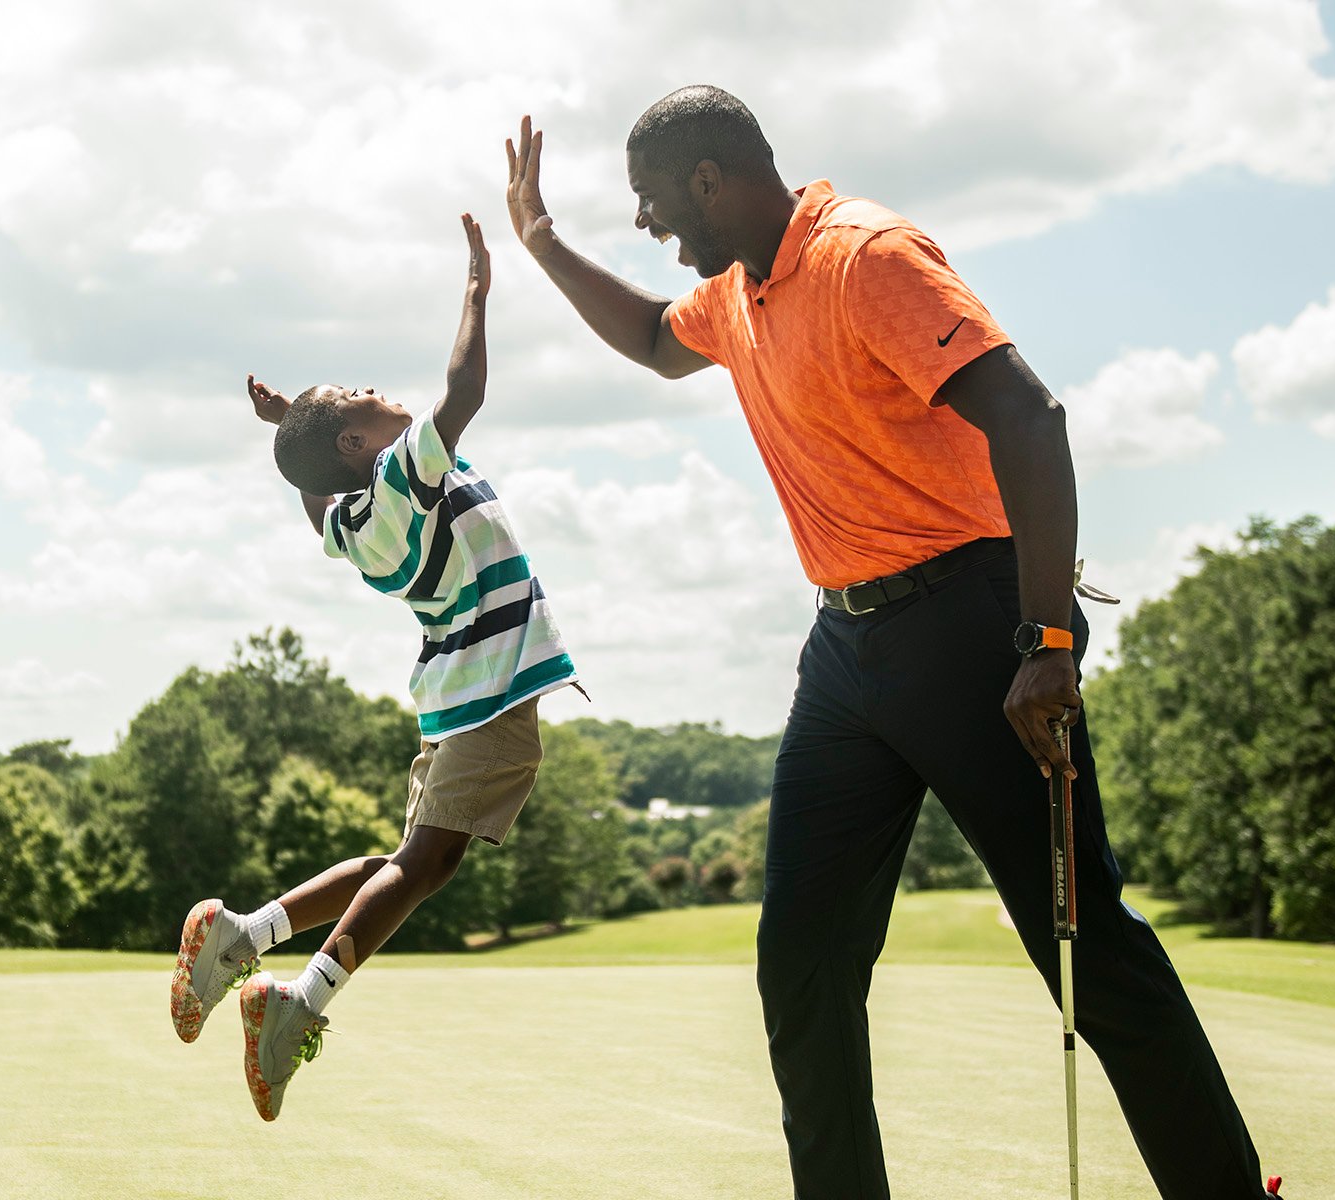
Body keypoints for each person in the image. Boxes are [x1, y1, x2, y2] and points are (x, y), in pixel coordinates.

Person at [504, 89, 1280, 1198]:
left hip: (974, 632)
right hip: (846, 653)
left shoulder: (865, 255)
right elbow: (646, 340)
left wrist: (1049, 638)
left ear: (710, 180)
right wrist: (543, 244)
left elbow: (1031, 418)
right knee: (803, 968)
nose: (646, 223)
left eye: (650, 200)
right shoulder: (738, 294)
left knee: (1085, 946)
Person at [168, 215, 579, 1122]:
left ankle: (249, 933)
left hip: (449, 695)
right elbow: (461, 389)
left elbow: (313, 493)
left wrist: (298, 429)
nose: (374, 392)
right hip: (489, 689)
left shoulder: (351, 518)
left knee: (404, 861)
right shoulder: (403, 475)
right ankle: (296, 1002)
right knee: (427, 867)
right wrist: (476, 290)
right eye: (355, 397)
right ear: (359, 447)